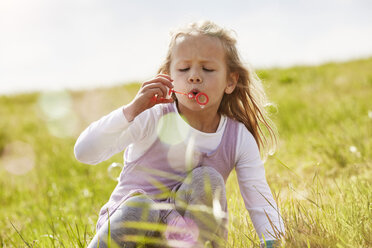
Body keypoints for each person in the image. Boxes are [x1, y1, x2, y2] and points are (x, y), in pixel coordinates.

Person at [74, 20, 285, 248]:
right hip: (130, 235)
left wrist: (273, 243)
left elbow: (258, 197)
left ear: (230, 81)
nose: (194, 76)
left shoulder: (237, 137)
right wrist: (132, 110)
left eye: (208, 69)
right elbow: (84, 152)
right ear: (169, 76)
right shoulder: (152, 117)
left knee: (208, 180)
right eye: (184, 69)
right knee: (139, 206)